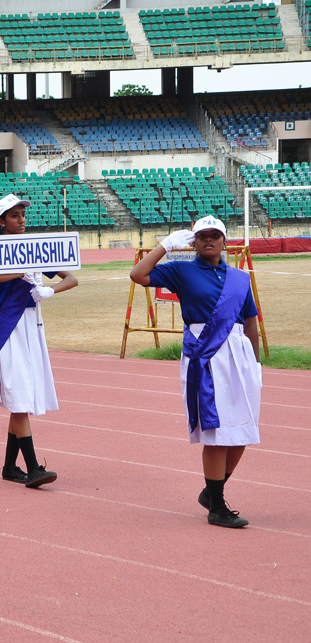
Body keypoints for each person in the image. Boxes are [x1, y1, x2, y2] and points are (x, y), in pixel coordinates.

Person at [130, 216, 261, 528]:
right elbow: (138, 274)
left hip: (237, 356)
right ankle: (217, 507)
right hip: (205, 357)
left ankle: (211, 492)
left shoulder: (239, 278)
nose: (208, 241)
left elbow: (251, 322)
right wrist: (165, 245)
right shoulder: (182, 270)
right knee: (215, 432)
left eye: (215, 236)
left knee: (242, 430)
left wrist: (256, 365)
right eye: (202, 236)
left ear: (224, 241)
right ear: (194, 241)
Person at [0, 194, 77, 488]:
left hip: (31, 324)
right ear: (1, 221)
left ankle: (10, 467)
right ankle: (33, 467)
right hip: (7, 323)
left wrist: (50, 290)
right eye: (14, 215)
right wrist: (18, 271)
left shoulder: (34, 248)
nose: (21, 220)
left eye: (23, 214)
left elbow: (71, 278)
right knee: (20, 395)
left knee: (23, 393)